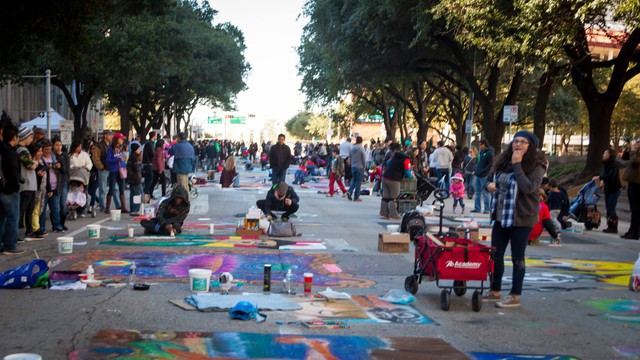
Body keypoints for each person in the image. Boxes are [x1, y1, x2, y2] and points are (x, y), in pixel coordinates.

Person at [482, 130, 546, 308]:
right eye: (516, 141)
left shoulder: (537, 166)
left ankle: (515, 295)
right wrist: (489, 186)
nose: (518, 144)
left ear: (531, 146)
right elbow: (488, 181)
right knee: (496, 255)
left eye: (524, 142)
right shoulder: (502, 162)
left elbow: (528, 188)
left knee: (518, 257)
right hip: (501, 216)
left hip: (521, 218)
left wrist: (517, 165)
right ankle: (495, 290)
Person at [0, 125, 27, 254]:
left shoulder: (1, 149)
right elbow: (13, 172)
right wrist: (16, 187)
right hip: (9, 190)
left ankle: (2, 244)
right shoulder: (10, 152)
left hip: (2, 188)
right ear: (14, 137)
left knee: (2, 218)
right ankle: (10, 245)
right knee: (12, 218)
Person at [380, 142, 413, 220]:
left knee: (385, 197)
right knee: (393, 198)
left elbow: (388, 162)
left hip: (385, 177)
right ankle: (393, 215)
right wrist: (411, 176)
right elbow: (408, 173)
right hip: (394, 180)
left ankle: (383, 214)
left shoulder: (395, 155)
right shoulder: (406, 160)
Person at [593, 148, 622, 233]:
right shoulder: (606, 164)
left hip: (614, 188)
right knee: (608, 208)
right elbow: (606, 175)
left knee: (611, 207)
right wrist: (602, 182)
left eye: (606, 153)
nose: (603, 155)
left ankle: (613, 227)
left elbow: (611, 176)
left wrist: (600, 177)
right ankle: (609, 225)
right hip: (608, 188)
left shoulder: (614, 164)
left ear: (610, 155)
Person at [17, 127, 38, 241]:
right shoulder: (22, 150)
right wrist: (35, 162)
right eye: (30, 137)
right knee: (23, 210)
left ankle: (29, 231)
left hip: (30, 184)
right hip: (26, 185)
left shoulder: (23, 149)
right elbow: (30, 165)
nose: (31, 140)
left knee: (29, 209)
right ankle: (18, 233)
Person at [39, 140, 64, 233]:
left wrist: (58, 166)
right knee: (42, 208)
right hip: (44, 187)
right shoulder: (40, 158)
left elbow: (61, 168)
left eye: (50, 149)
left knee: (55, 208)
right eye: (46, 149)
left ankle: (56, 225)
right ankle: (41, 228)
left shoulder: (53, 156)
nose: (48, 151)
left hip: (55, 186)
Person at [621, 139, 640, 240]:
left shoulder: (636, 154)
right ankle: (631, 230)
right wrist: (629, 148)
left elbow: (634, 162)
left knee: (636, 209)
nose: (636, 143)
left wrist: (633, 150)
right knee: (633, 209)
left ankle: (635, 232)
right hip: (632, 182)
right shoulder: (635, 152)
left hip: (638, 184)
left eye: (638, 142)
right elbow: (624, 157)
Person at [68, 140, 93, 217]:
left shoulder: (84, 154)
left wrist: (85, 167)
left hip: (83, 175)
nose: (79, 148)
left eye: (80, 146)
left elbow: (89, 164)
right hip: (73, 176)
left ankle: (83, 209)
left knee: (83, 192)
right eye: (78, 146)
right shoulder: (70, 156)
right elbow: (69, 165)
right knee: (72, 192)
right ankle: (72, 207)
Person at [105, 132, 128, 214]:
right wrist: (118, 159)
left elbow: (124, 159)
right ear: (117, 139)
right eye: (121, 139)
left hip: (121, 170)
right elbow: (107, 160)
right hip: (113, 171)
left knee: (122, 189)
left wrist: (124, 163)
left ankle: (123, 207)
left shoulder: (122, 149)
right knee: (111, 189)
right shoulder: (110, 149)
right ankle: (107, 208)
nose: (122, 140)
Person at [92, 130, 114, 210]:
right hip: (103, 169)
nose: (111, 136)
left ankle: (110, 205)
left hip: (111, 169)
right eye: (110, 135)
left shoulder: (112, 145)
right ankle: (102, 206)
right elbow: (95, 158)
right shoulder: (99, 145)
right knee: (103, 188)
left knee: (114, 188)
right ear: (105, 135)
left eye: (112, 135)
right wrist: (101, 167)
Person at [472, 139, 494, 214]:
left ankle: (487, 209)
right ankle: (477, 208)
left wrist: (483, 171)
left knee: (485, 193)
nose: (479, 146)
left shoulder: (490, 153)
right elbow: (478, 162)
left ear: (484, 145)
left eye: (480, 145)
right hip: (478, 174)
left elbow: (490, 165)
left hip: (485, 175)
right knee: (477, 192)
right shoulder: (481, 152)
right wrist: (476, 170)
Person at [53, 138, 70, 231]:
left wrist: (60, 166)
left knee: (63, 205)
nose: (58, 147)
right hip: (54, 182)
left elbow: (66, 170)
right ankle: (56, 224)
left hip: (63, 181)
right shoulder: (52, 155)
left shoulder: (65, 155)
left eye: (60, 145)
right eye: (56, 145)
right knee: (55, 205)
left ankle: (62, 223)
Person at [347, 136, 366, 202]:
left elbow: (350, 157)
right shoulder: (361, 149)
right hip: (360, 166)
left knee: (354, 180)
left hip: (353, 166)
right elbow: (363, 158)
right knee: (359, 182)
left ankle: (350, 191)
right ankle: (356, 197)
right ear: (361, 141)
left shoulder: (352, 148)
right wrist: (364, 166)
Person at [126, 143, 143, 216]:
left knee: (133, 193)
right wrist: (140, 164)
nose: (139, 150)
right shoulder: (134, 157)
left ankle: (133, 209)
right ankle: (135, 209)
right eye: (138, 149)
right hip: (135, 178)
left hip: (132, 178)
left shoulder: (131, 156)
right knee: (138, 194)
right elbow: (136, 168)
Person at [142, 131, 157, 202]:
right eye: (156, 135)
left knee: (149, 178)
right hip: (148, 163)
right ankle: (146, 193)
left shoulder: (150, 143)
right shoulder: (149, 143)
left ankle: (147, 194)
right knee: (150, 178)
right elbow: (152, 153)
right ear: (153, 136)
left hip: (149, 163)